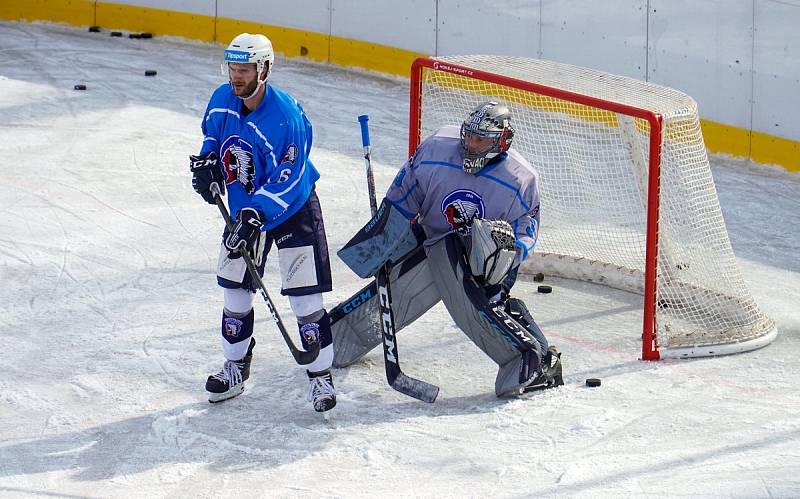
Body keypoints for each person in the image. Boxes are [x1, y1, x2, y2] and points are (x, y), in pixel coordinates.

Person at [336, 101, 562, 397]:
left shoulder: (521, 180)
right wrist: (382, 243)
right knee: (420, 267)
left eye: (479, 140)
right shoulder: (436, 150)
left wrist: (503, 261)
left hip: (484, 262)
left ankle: (531, 358)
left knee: (481, 302)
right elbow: (403, 199)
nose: (469, 144)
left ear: (501, 143)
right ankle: (340, 335)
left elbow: (524, 232)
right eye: (467, 136)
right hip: (430, 238)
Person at [189, 33, 336, 412]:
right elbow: (214, 136)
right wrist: (208, 165)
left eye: (243, 69)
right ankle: (236, 365)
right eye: (232, 69)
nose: (235, 77)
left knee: (305, 300)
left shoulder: (286, 117)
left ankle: (321, 378)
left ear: (264, 69)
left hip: (292, 210)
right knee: (235, 293)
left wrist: (258, 213)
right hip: (244, 211)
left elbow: (289, 175)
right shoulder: (223, 98)